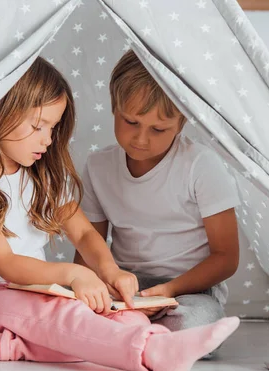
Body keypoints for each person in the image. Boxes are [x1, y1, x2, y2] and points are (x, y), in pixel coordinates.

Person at [0, 56, 239, 371]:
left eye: (53, 128)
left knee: (119, 321)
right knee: (69, 322)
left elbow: (85, 235)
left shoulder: (43, 177)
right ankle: (152, 353)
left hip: (36, 295)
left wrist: (110, 272)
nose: (48, 140)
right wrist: (75, 274)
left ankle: (7, 347)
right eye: (38, 127)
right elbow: (5, 264)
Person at [74, 51, 240, 353]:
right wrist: (96, 289)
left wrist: (168, 290)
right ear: (114, 108)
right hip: (124, 283)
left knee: (194, 322)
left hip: (188, 289)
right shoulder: (98, 166)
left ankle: (130, 334)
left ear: (182, 121)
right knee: (73, 313)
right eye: (131, 121)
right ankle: (137, 333)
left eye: (158, 129)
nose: (141, 138)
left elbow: (226, 257)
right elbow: (88, 246)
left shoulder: (200, 165)